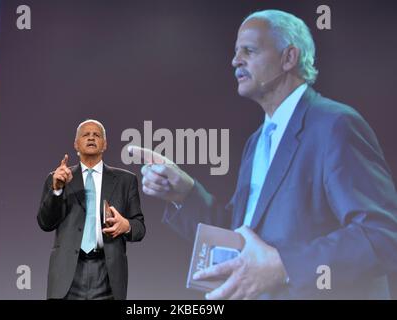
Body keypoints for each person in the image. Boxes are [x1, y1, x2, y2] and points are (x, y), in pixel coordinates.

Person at [130, 9, 397, 299]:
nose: (235, 61)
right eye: (235, 52)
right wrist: (184, 194)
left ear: (288, 58)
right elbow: (241, 237)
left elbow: (382, 235)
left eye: (249, 50)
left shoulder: (335, 125)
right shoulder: (257, 142)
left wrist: (284, 267)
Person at [38, 119, 145, 300]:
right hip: (68, 273)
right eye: (85, 134)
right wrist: (57, 189)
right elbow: (45, 223)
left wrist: (126, 225)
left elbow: (140, 228)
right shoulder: (58, 178)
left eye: (96, 135)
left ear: (104, 144)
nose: (91, 138)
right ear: (76, 144)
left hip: (107, 274)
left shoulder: (125, 181)